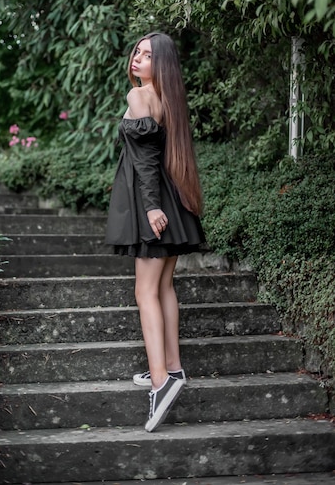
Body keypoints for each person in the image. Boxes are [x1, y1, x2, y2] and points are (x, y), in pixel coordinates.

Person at [106, 31, 206, 432]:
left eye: (147, 56)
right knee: (164, 288)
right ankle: (173, 369)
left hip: (154, 205)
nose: (137, 59)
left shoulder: (139, 96)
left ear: (160, 64)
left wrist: (149, 207)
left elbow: (145, 159)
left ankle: (161, 384)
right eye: (136, 52)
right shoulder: (169, 101)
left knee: (145, 291)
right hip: (173, 202)